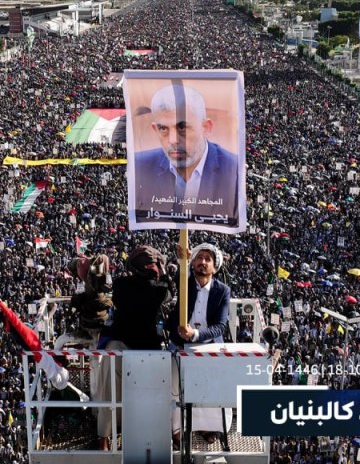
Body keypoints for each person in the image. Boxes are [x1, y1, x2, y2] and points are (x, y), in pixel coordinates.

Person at [94, 245, 176, 450]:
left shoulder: (121, 284)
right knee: (150, 390)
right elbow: (167, 292)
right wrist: (163, 274)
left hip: (131, 344)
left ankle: (103, 435)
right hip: (141, 346)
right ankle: (107, 434)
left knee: (110, 387)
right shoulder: (159, 289)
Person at [132, 84, 239, 227]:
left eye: (182, 127)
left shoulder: (234, 170)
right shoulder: (139, 167)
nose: (173, 140)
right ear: (155, 129)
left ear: (206, 128)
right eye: (163, 128)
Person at [169, 243, 231, 448]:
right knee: (175, 386)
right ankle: (177, 430)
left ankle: (206, 427)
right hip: (180, 344)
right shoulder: (186, 283)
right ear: (193, 262)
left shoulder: (222, 291)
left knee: (209, 388)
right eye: (199, 258)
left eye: (207, 259)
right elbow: (179, 278)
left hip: (208, 345)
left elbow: (220, 326)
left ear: (215, 266)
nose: (202, 262)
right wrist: (183, 261)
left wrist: (195, 334)